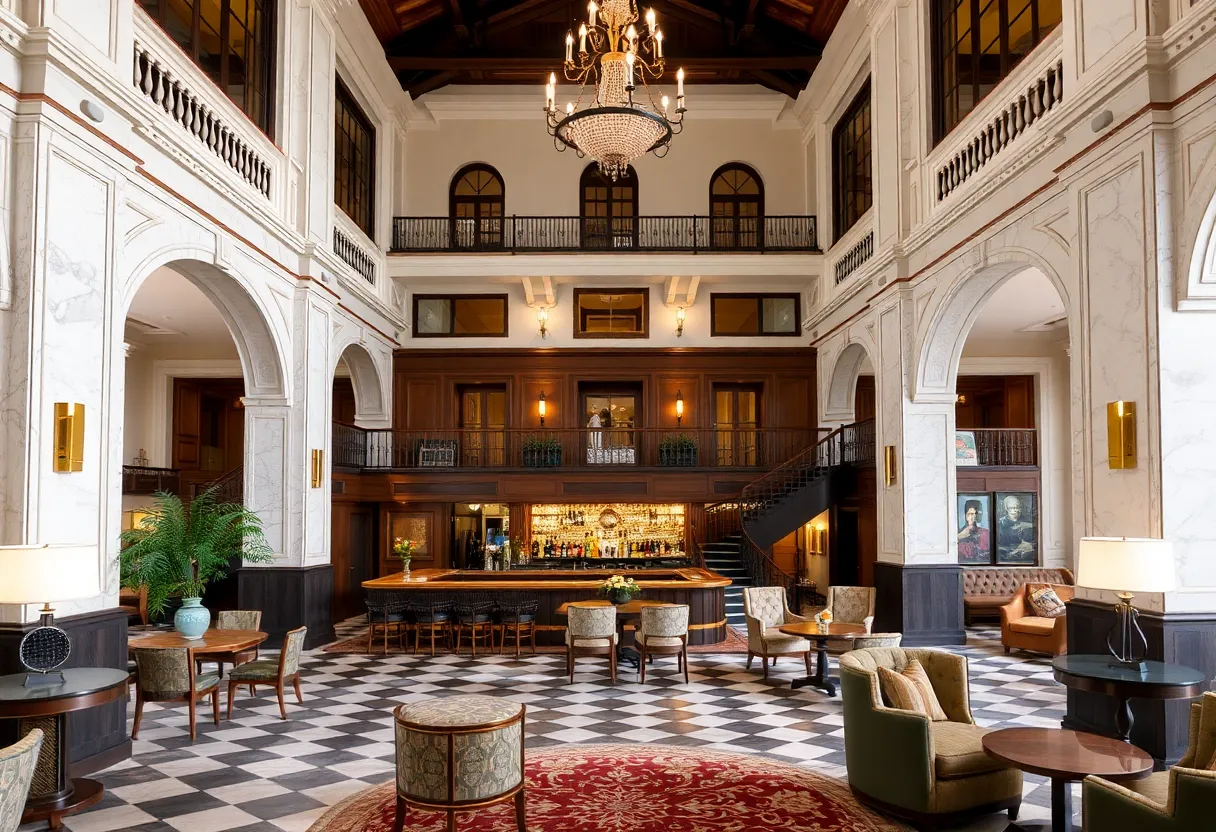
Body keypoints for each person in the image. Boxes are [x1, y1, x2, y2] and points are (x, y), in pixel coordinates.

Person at [997, 495, 1036, 562]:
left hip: (1026, 557)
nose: (1016, 510)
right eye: (1012, 508)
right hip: (1005, 557)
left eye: (1018, 507)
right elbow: (998, 544)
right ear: (1006, 508)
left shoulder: (1029, 521)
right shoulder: (1000, 523)